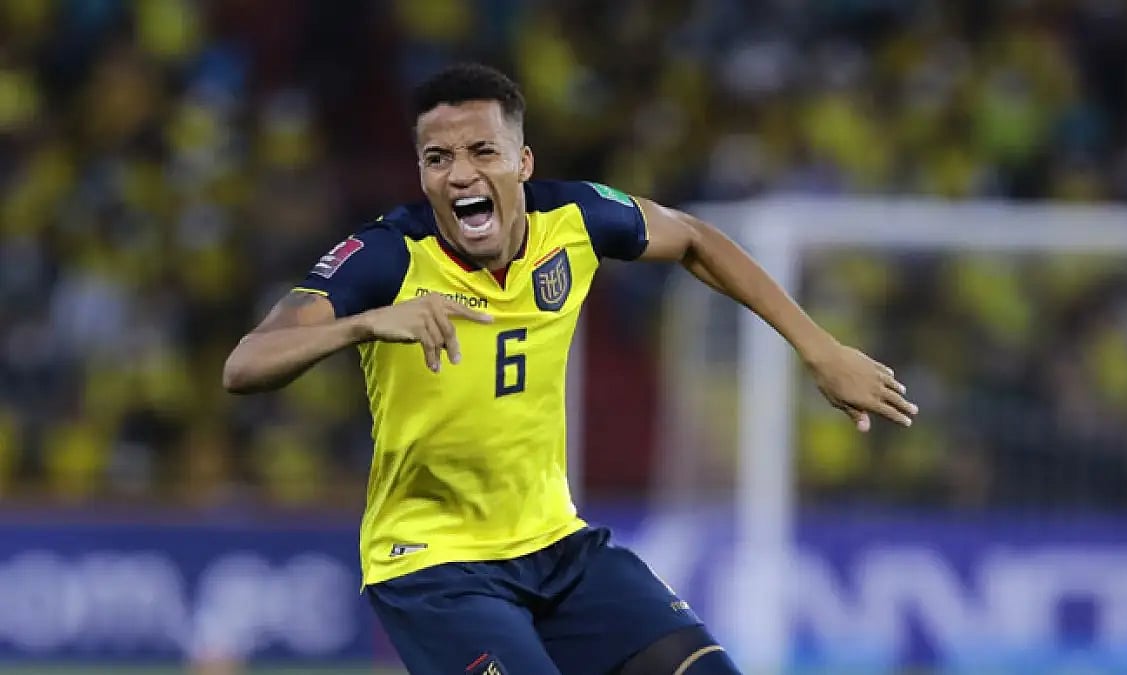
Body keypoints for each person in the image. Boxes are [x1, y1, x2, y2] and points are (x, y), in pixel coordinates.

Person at [223, 63, 918, 675]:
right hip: (434, 566)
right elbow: (245, 364)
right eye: (437, 158)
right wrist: (367, 323)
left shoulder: (576, 219)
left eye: (480, 151)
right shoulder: (386, 257)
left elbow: (696, 239)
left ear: (522, 162)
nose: (459, 172)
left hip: (557, 545)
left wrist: (819, 348)